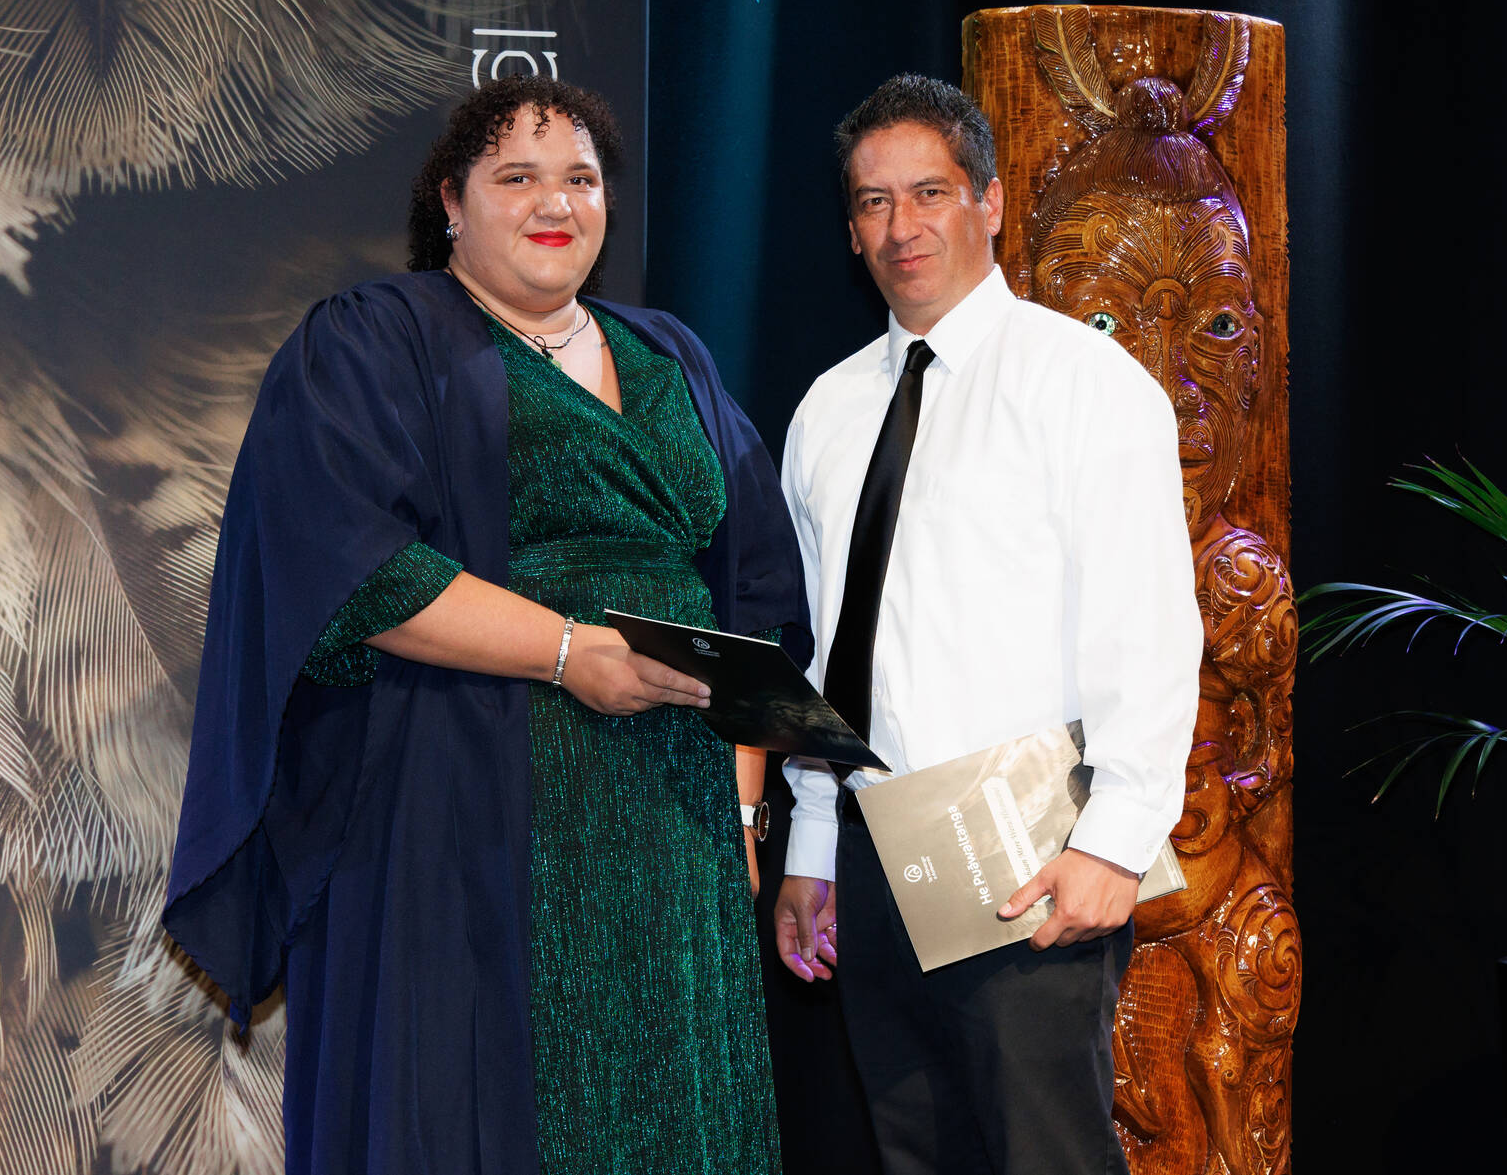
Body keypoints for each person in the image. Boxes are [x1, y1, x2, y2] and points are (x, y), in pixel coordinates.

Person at [163, 76, 807, 1175]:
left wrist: (743, 811)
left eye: (580, 179)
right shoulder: (374, 338)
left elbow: (755, 594)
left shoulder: (673, 356)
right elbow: (351, 561)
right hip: (466, 803)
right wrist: (567, 653)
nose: (556, 201)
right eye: (517, 176)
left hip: (676, 826)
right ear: (452, 203)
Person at [771, 73, 1200, 1174]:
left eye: (931, 193)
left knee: (1043, 1157)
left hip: (1029, 859)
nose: (901, 226)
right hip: (875, 854)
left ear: (992, 202)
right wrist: (814, 845)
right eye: (873, 202)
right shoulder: (826, 410)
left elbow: (1149, 629)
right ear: (851, 229)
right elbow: (823, 647)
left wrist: (1113, 841)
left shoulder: (1085, 384)